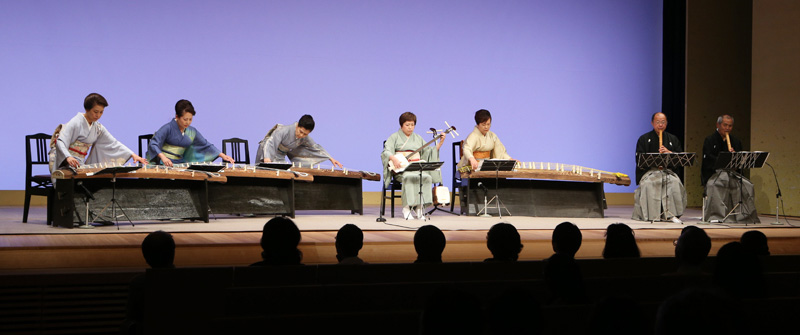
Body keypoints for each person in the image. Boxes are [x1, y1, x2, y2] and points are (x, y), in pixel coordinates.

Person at [50, 93, 147, 173]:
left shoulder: (97, 127)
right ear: (87, 109)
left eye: (101, 112)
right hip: (65, 161)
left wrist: (132, 154)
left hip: (78, 162)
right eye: (95, 111)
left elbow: (112, 142)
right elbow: (60, 141)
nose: (98, 115)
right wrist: (68, 157)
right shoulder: (75, 122)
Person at [381, 112, 444, 220]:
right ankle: (407, 208)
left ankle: (420, 207)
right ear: (401, 125)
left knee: (426, 177)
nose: (410, 128)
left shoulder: (418, 138)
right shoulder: (394, 137)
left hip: (416, 167)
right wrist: (393, 158)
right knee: (409, 177)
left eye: (412, 125)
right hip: (402, 170)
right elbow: (386, 151)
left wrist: (441, 142)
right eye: (407, 125)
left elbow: (428, 152)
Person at [701, 115, 759, 223]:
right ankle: (717, 216)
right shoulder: (709, 140)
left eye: (730, 126)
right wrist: (725, 158)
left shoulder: (736, 141)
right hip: (715, 173)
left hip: (732, 173)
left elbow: (741, 161)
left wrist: (734, 158)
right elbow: (708, 159)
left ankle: (743, 216)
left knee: (747, 185)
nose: (727, 128)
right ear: (718, 125)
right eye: (725, 125)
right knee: (719, 183)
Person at [632, 112, 687, 223]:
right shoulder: (644, 139)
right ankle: (652, 215)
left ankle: (672, 214)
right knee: (649, 184)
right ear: (652, 123)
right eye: (657, 122)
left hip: (667, 171)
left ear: (666, 124)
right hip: (651, 171)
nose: (660, 125)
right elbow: (639, 159)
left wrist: (669, 153)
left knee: (674, 182)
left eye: (663, 122)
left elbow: (680, 158)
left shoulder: (673, 139)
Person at [146, 99, 234, 167]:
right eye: (185, 119)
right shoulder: (167, 128)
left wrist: (222, 155)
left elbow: (205, 144)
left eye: (190, 119)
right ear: (177, 116)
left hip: (181, 163)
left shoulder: (192, 131)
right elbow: (154, 144)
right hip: (165, 163)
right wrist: (163, 157)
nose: (188, 122)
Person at [122, 231, 175, 335]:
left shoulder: (139, 284)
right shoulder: (191, 282)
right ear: (173, 254)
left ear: (146, 258)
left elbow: (131, 319)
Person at [255, 114, 342, 168]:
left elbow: (315, 147)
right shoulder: (283, 130)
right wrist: (267, 158)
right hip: (267, 150)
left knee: (282, 172)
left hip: (280, 155)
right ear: (297, 126)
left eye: (305, 134)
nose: (301, 135)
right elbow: (271, 142)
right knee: (266, 172)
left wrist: (331, 158)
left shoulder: (305, 137)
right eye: (301, 132)